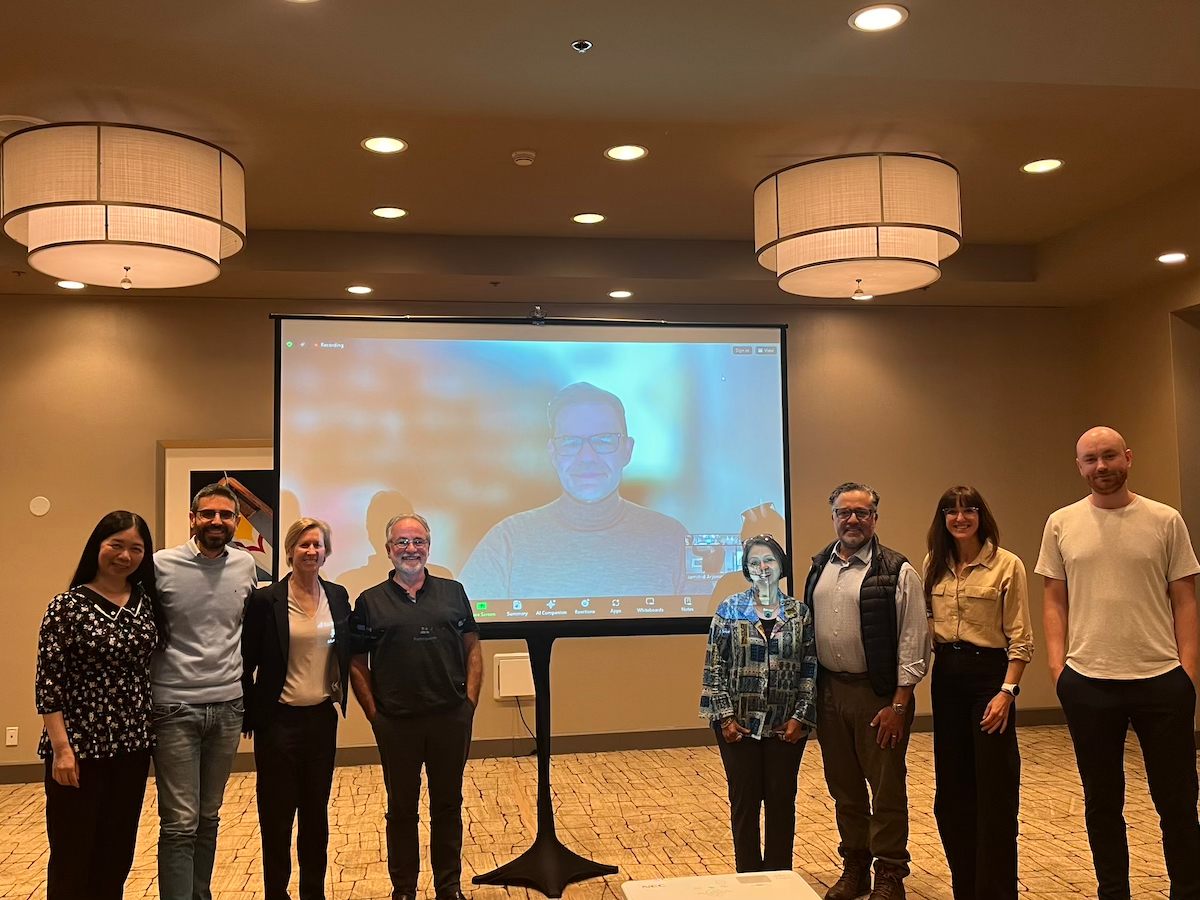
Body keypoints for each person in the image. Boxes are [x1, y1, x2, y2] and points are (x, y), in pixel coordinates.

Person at [1037, 426, 1200, 899]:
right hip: (1088, 682)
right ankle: (1114, 892)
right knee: (1102, 802)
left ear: (1128, 458)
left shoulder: (1165, 519)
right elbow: (1054, 600)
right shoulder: (1061, 522)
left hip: (1162, 680)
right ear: (1079, 466)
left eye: (1109, 456)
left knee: (1177, 801)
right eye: (1090, 460)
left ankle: (1188, 889)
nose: (1101, 467)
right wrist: (1058, 669)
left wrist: (1187, 672)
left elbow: (1185, 597)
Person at [805, 482, 931, 900]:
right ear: (835, 517)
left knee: (886, 787)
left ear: (875, 518)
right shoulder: (819, 565)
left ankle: (890, 873)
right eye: (844, 512)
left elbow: (914, 641)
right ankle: (855, 866)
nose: (852, 519)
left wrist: (900, 703)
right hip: (831, 693)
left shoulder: (898, 570)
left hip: (879, 697)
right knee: (844, 788)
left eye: (861, 512)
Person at [349, 514, 483, 900]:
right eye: (403, 542)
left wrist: (469, 704)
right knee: (402, 809)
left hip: (449, 718)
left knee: (448, 804)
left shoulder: (454, 592)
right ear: (389, 549)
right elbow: (358, 663)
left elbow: (473, 647)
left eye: (419, 541)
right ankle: (404, 888)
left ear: (429, 546)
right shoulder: (369, 601)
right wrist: (375, 715)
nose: (411, 549)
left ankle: (448, 886)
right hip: (397, 724)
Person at [35, 511, 166, 900]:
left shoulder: (147, 603)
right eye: (116, 545)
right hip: (78, 749)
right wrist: (61, 749)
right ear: (98, 546)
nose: (124, 555)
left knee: (116, 852)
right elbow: (48, 683)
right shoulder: (66, 606)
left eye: (136, 548)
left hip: (132, 746)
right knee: (73, 854)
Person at [458, 382, 689, 599]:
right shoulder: (507, 541)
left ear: (627, 451)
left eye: (604, 440)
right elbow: (460, 628)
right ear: (553, 454)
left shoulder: (672, 538)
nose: (587, 457)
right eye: (570, 442)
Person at [923, 486, 1033, 900]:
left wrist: (1007, 691)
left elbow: (1021, 638)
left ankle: (997, 891)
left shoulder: (1007, 565)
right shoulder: (934, 563)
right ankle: (965, 888)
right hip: (947, 679)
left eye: (969, 509)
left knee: (995, 793)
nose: (960, 517)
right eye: (951, 511)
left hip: (990, 680)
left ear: (981, 515)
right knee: (952, 793)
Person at [153, 482, 258, 900]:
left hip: (228, 707)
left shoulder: (245, 566)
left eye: (226, 515)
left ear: (236, 522)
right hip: (174, 708)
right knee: (180, 822)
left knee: (209, 816)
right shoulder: (162, 565)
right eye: (208, 514)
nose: (217, 521)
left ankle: (201, 894)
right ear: (192, 518)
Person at [242, 518, 353, 900]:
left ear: (327, 552)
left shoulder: (338, 596)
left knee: (315, 815)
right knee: (276, 816)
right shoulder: (265, 600)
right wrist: (251, 716)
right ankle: (277, 891)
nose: (311, 551)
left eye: (318, 545)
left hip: (321, 720)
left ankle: (313, 893)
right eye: (304, 545)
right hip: (278, 723)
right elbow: (246, 661)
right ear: (290, 551)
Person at [700, 534, 817, 873]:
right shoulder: (729, 609)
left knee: (782, 802)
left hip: (785, 726)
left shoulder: (800, 613)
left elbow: (810, 667)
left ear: (781, 565)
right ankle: (748, 877)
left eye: (769, 560)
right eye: (754, 562)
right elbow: (713, 666)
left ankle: (780, 877)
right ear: (746, 568)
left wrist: (801, 717)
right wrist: (724, 717)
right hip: (737, 725)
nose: (762, 567)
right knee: (745, 802)